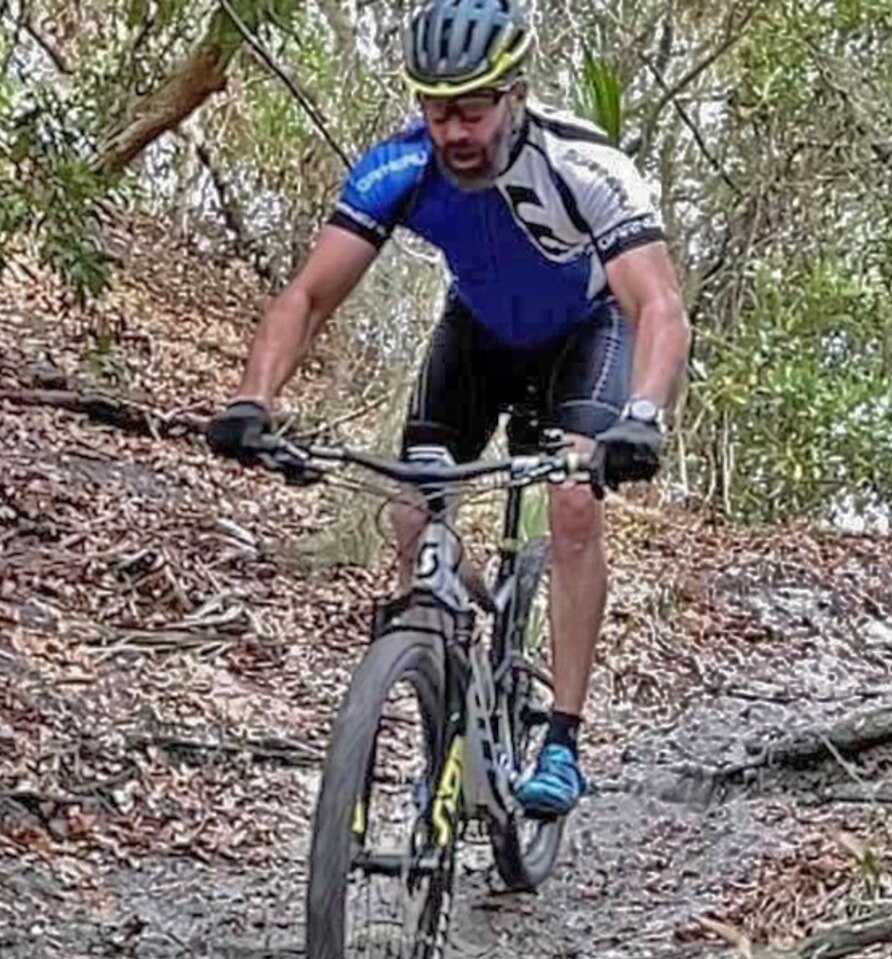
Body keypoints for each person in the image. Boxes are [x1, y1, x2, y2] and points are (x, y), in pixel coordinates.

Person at [204, 0, 689, 818]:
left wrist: (643, 413)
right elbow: (311, 294)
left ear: (515, 96)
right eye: (436, 110)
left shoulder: (585, 166)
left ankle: (562, 741)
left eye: (470, 109)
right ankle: (452, 654)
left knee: (572, 504)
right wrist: (255, 398)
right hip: (479, 333)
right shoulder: (399, 167)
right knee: (409, 516)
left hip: (586, 330)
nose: (453, 131)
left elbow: (658, 306)